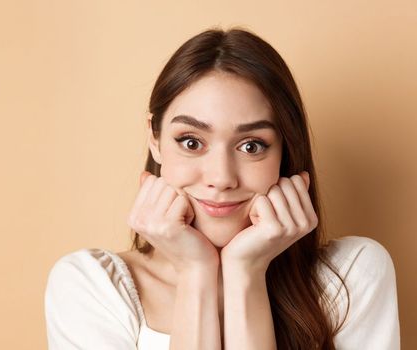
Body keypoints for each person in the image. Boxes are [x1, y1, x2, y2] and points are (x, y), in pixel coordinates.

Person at [43, 27, 400, 350]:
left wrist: (246, 272)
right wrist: (196, 272)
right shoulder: (91, 289)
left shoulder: (350, 279)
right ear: (155, 140)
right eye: (191, 142)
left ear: (286, 152)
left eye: (251, 146)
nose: (221, 178)